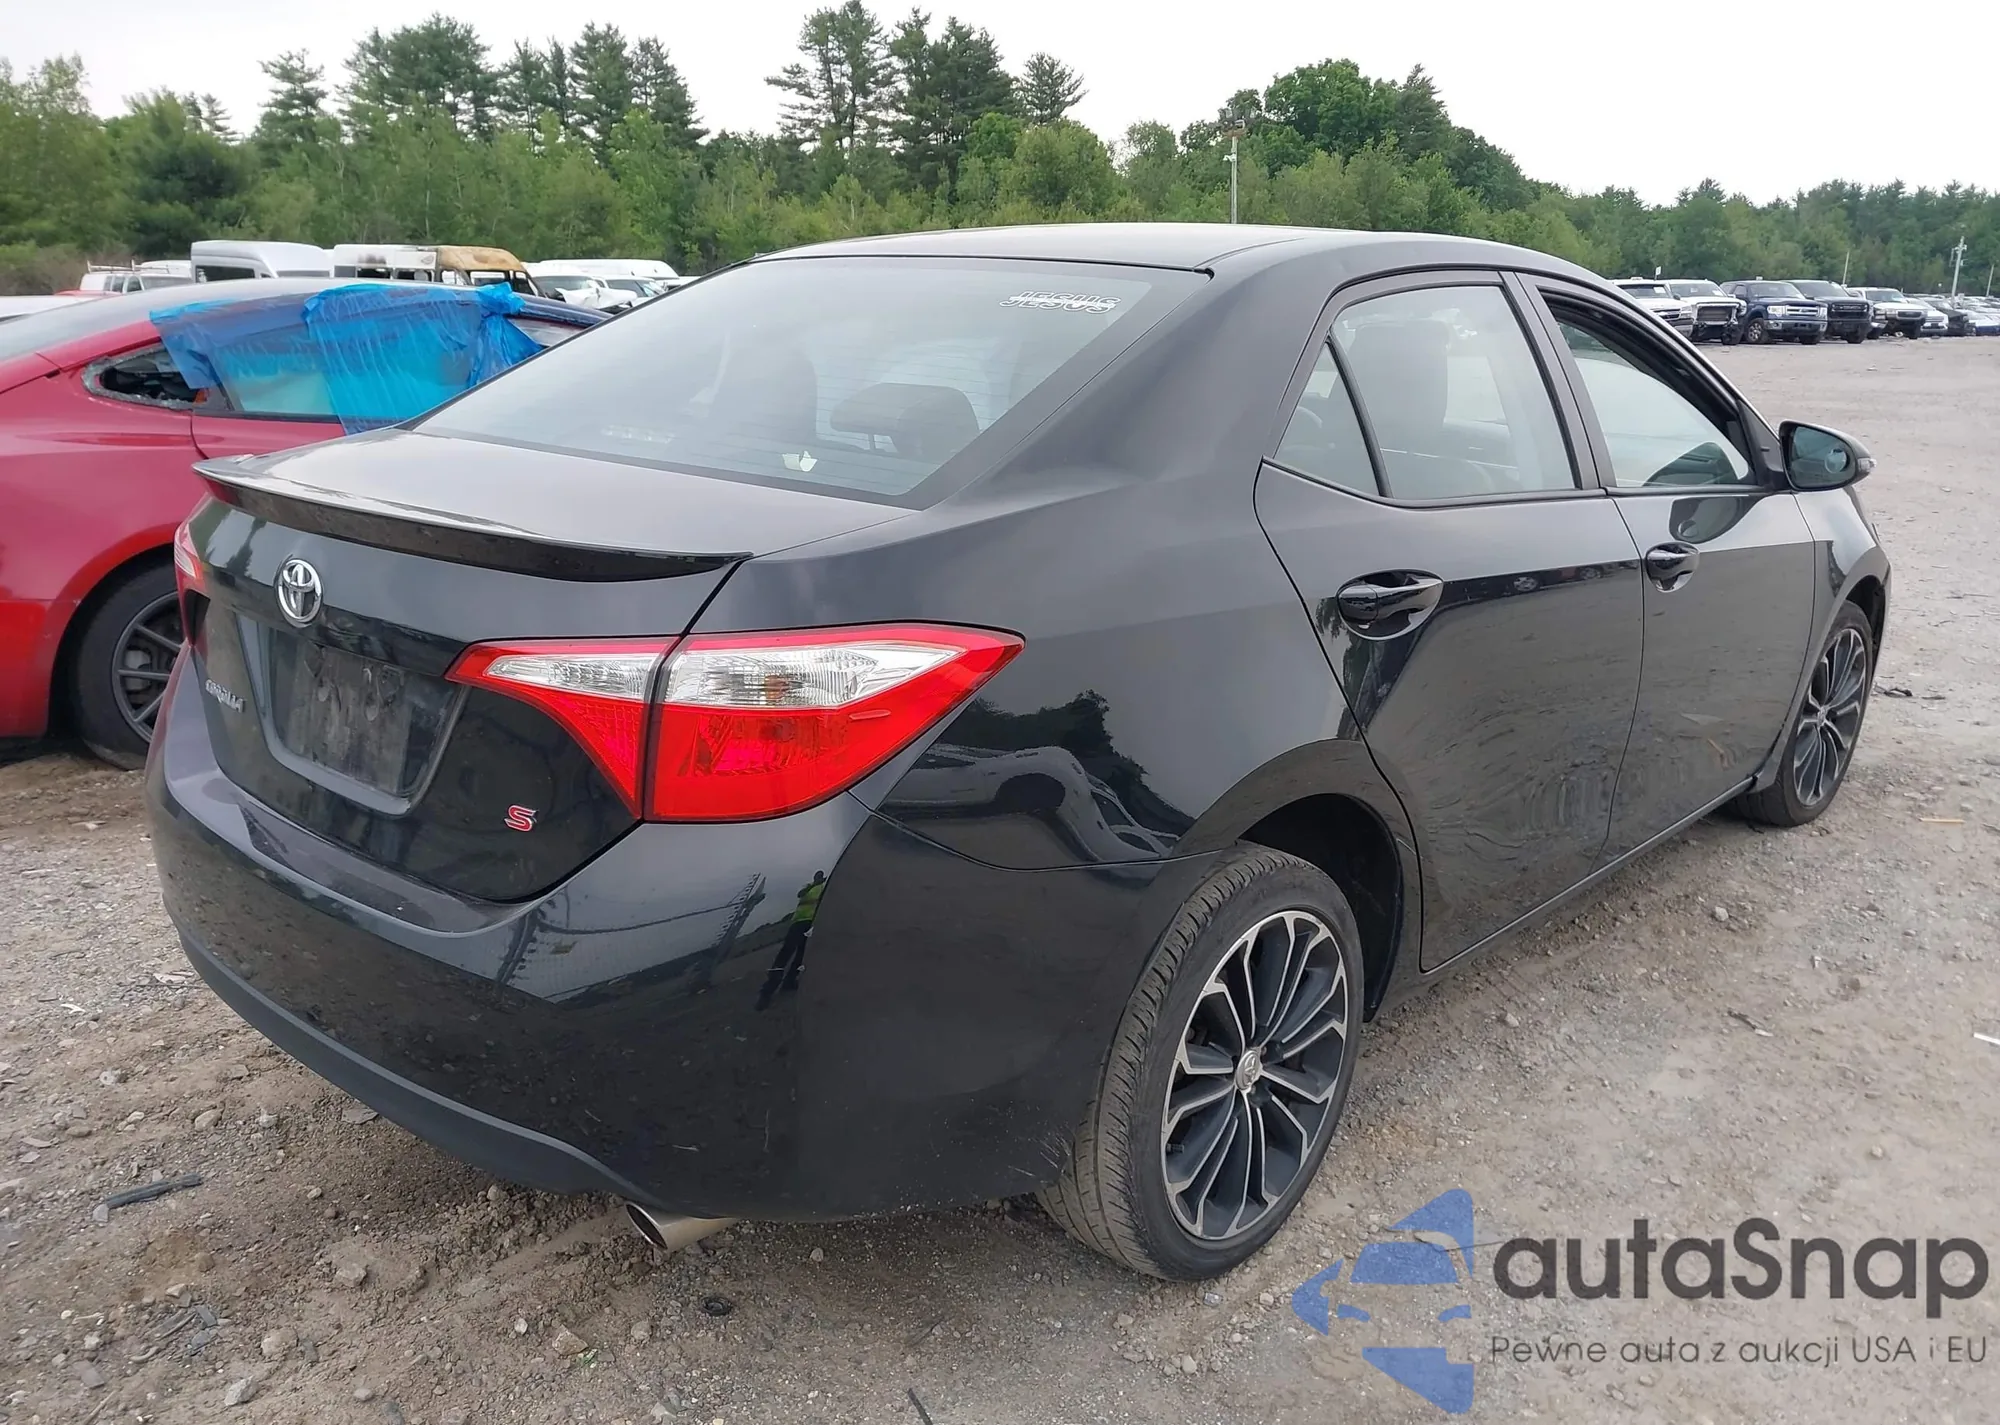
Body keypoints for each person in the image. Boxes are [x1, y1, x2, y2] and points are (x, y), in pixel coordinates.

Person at [756, 871, 824, 1010]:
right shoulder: (808, 886)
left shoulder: (824, 888)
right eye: (817, 875)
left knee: (801, 955)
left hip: (811, 923)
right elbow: (800, 894)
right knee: (786, 953)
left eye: (820, 875)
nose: (818, 877)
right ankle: (767, 991)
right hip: (798, 923)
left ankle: (789, 981)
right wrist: (814, 885)